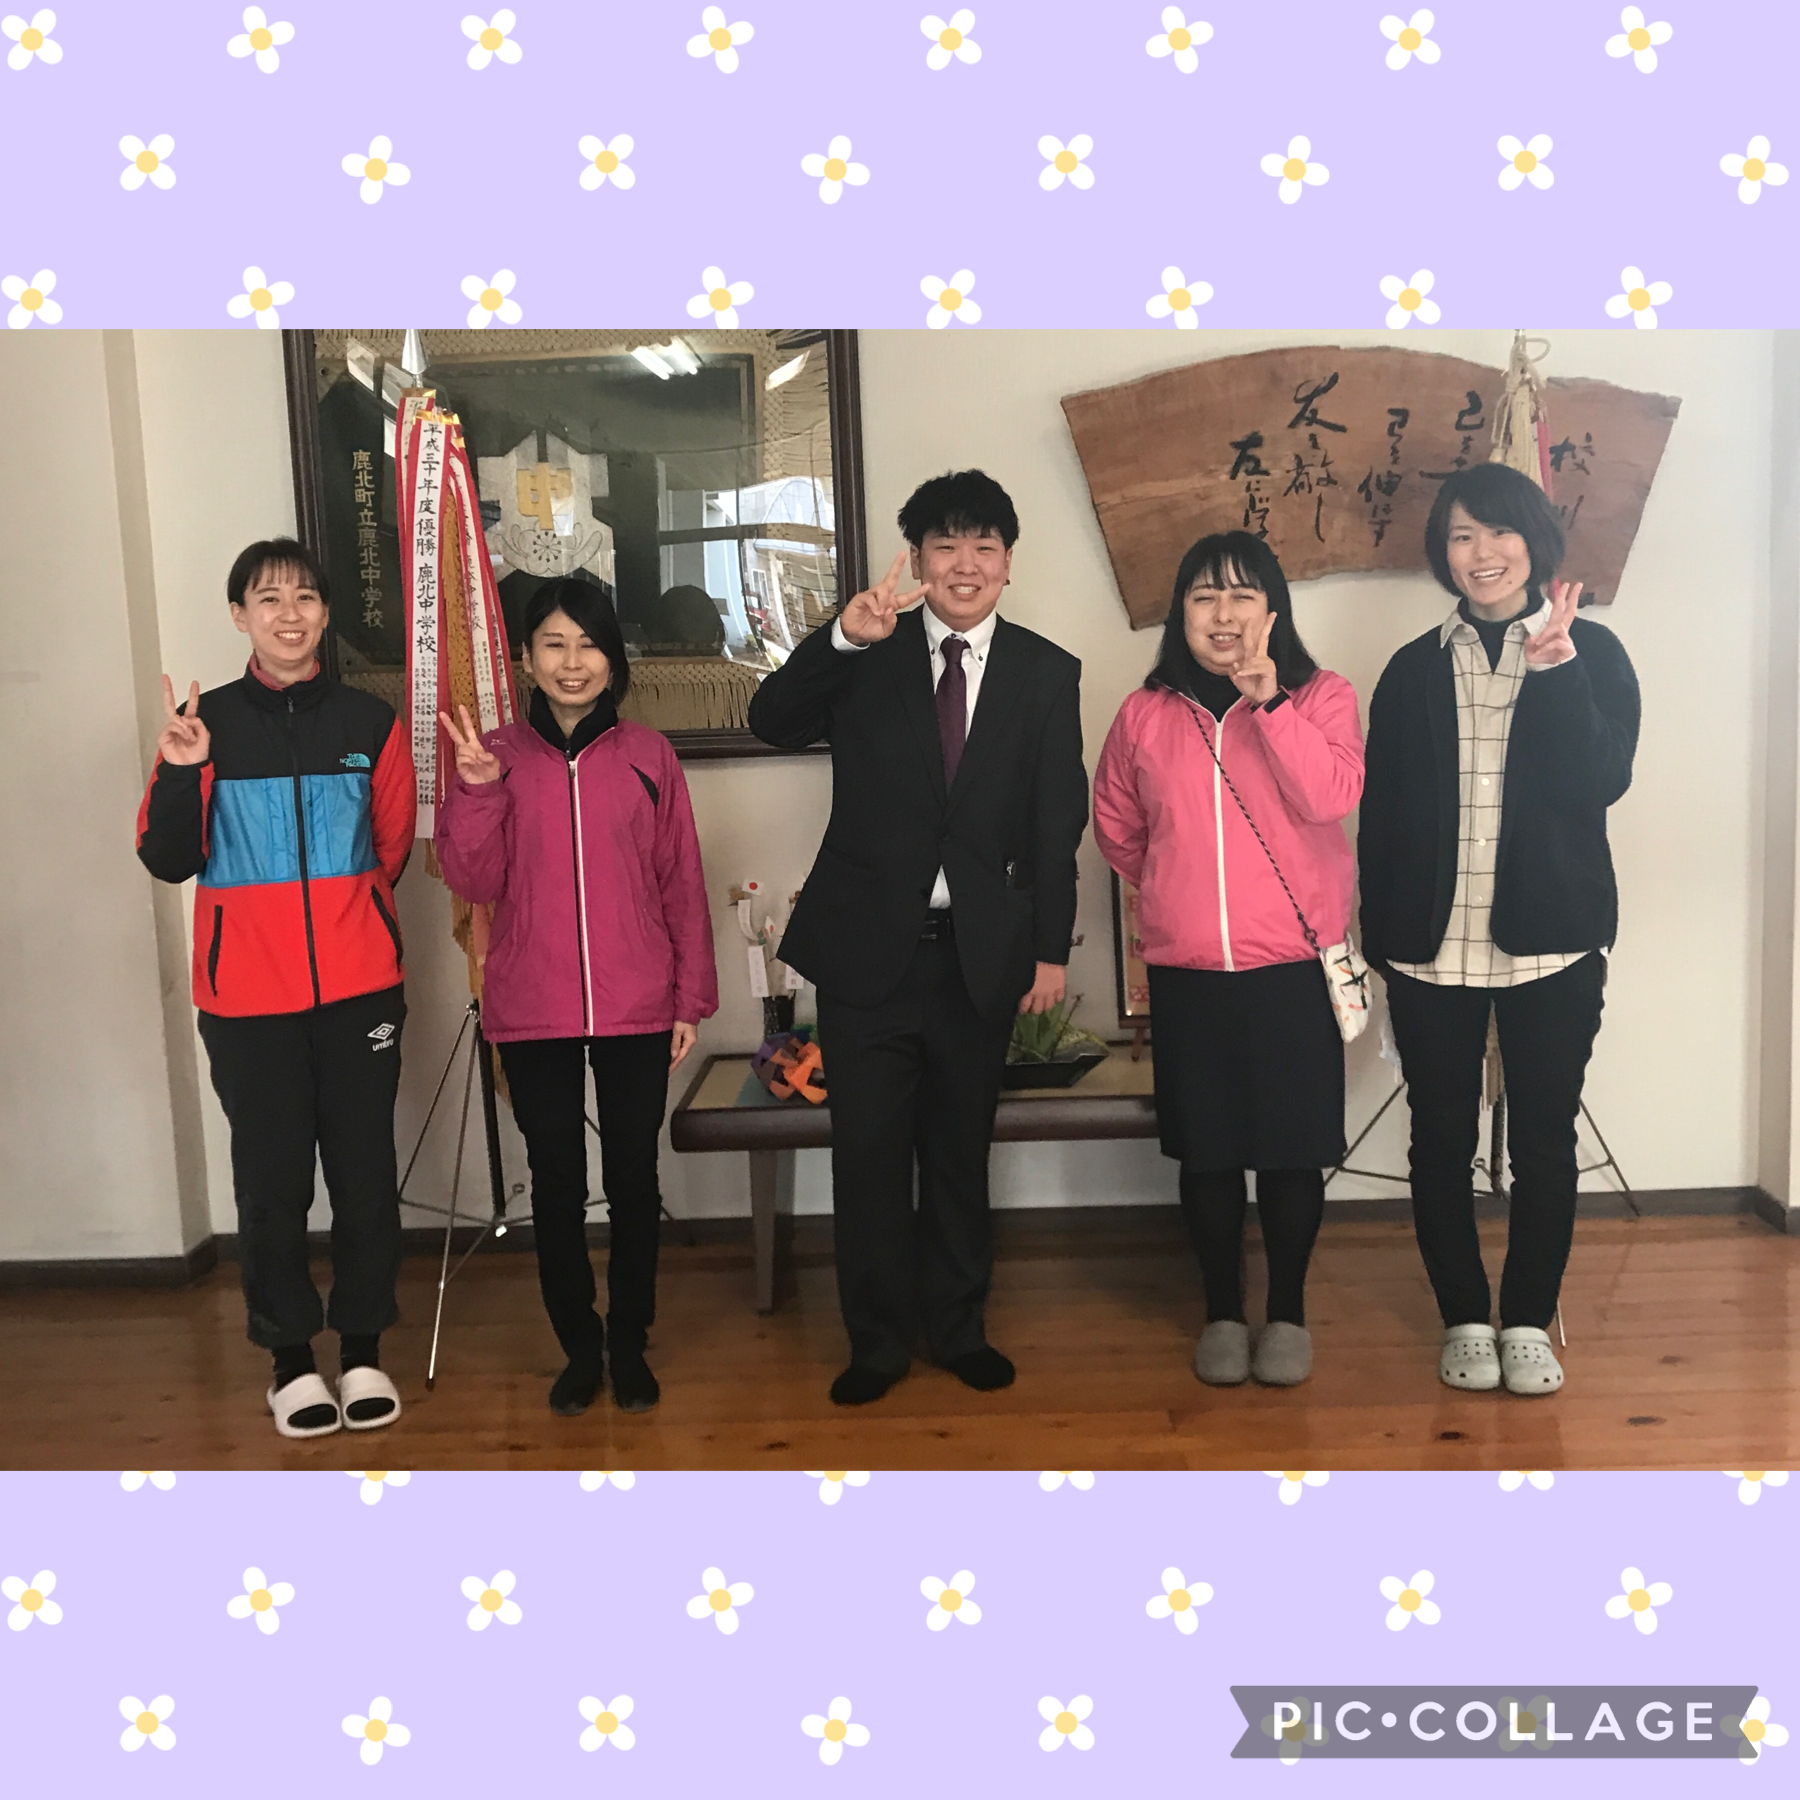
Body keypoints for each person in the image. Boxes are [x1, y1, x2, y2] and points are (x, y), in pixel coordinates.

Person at [748, 470, 1089, 1405]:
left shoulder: (1046, 672)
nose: (965, 564)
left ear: (1008, 564)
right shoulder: (870, 649)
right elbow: (770, 722)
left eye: (984, 546)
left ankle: (960, 1328)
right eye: (946, 545)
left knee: (956, 1155)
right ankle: (876, 1343)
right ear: (918, 560)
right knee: (866, 1157)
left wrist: (1050, 952)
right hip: (867, 955)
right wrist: (839, 638)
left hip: (980, 957)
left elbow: (1057, 824)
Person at [1358, 462, 1641, 1396]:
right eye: (1461, 536)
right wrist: (1378, 933)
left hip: (1553, 943)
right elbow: (1380, 814)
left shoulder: (1592, 652)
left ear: (1535, 541)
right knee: (1438, 1141)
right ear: (1443, 553)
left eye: (1499, 531)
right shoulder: (1411, 668)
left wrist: (1556, 675)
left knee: (1545, 1142)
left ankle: (1525, 1319)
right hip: (1430, 949)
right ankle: (1464, 1319)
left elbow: (1602, 780)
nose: (1481, 553)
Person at [135, 538, 415, 1439]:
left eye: (304, 598)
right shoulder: (204, 724)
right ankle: (291, 1362)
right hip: (246, 1003)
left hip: (360, 993)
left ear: (326, 614)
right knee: (271, 1182)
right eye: (268, 599)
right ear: (239, 616)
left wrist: (347, 927)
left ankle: (363, 1350)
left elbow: (391, 850)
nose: (288, 615)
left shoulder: (369, 723)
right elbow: (167, 858)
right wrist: (185, 770)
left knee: (365, 1177)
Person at [435, 577, 717, 1416]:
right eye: (553, 644)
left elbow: (681, 882)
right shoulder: (494, 755)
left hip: (637, 1002)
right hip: (533, 1004)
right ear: (526, 657)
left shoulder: (649, 756)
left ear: (613, 660)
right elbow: (470, 879)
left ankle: (629, 1343)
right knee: (555, 1182)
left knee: (633, 1177)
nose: (571, 661)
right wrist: (477, 790)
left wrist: (689, 1000)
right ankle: (580, 1348)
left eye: (588, 644)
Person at [1094, 531, 1363, 1387]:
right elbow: (1118, 830)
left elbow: (1331, 796)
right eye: (1204, 595)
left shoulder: (1322, 696)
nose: (1223, 613)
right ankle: (1220, 1310)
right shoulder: (1144, 713)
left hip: (1292, 968)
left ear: (1272, 611)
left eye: (1243, 594)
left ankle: (1287, 1313)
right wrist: (1179, 892)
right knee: (1206, 1154)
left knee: (1290, 1151)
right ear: (1180, 612)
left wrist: (1269, 703)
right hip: (1190, 973)